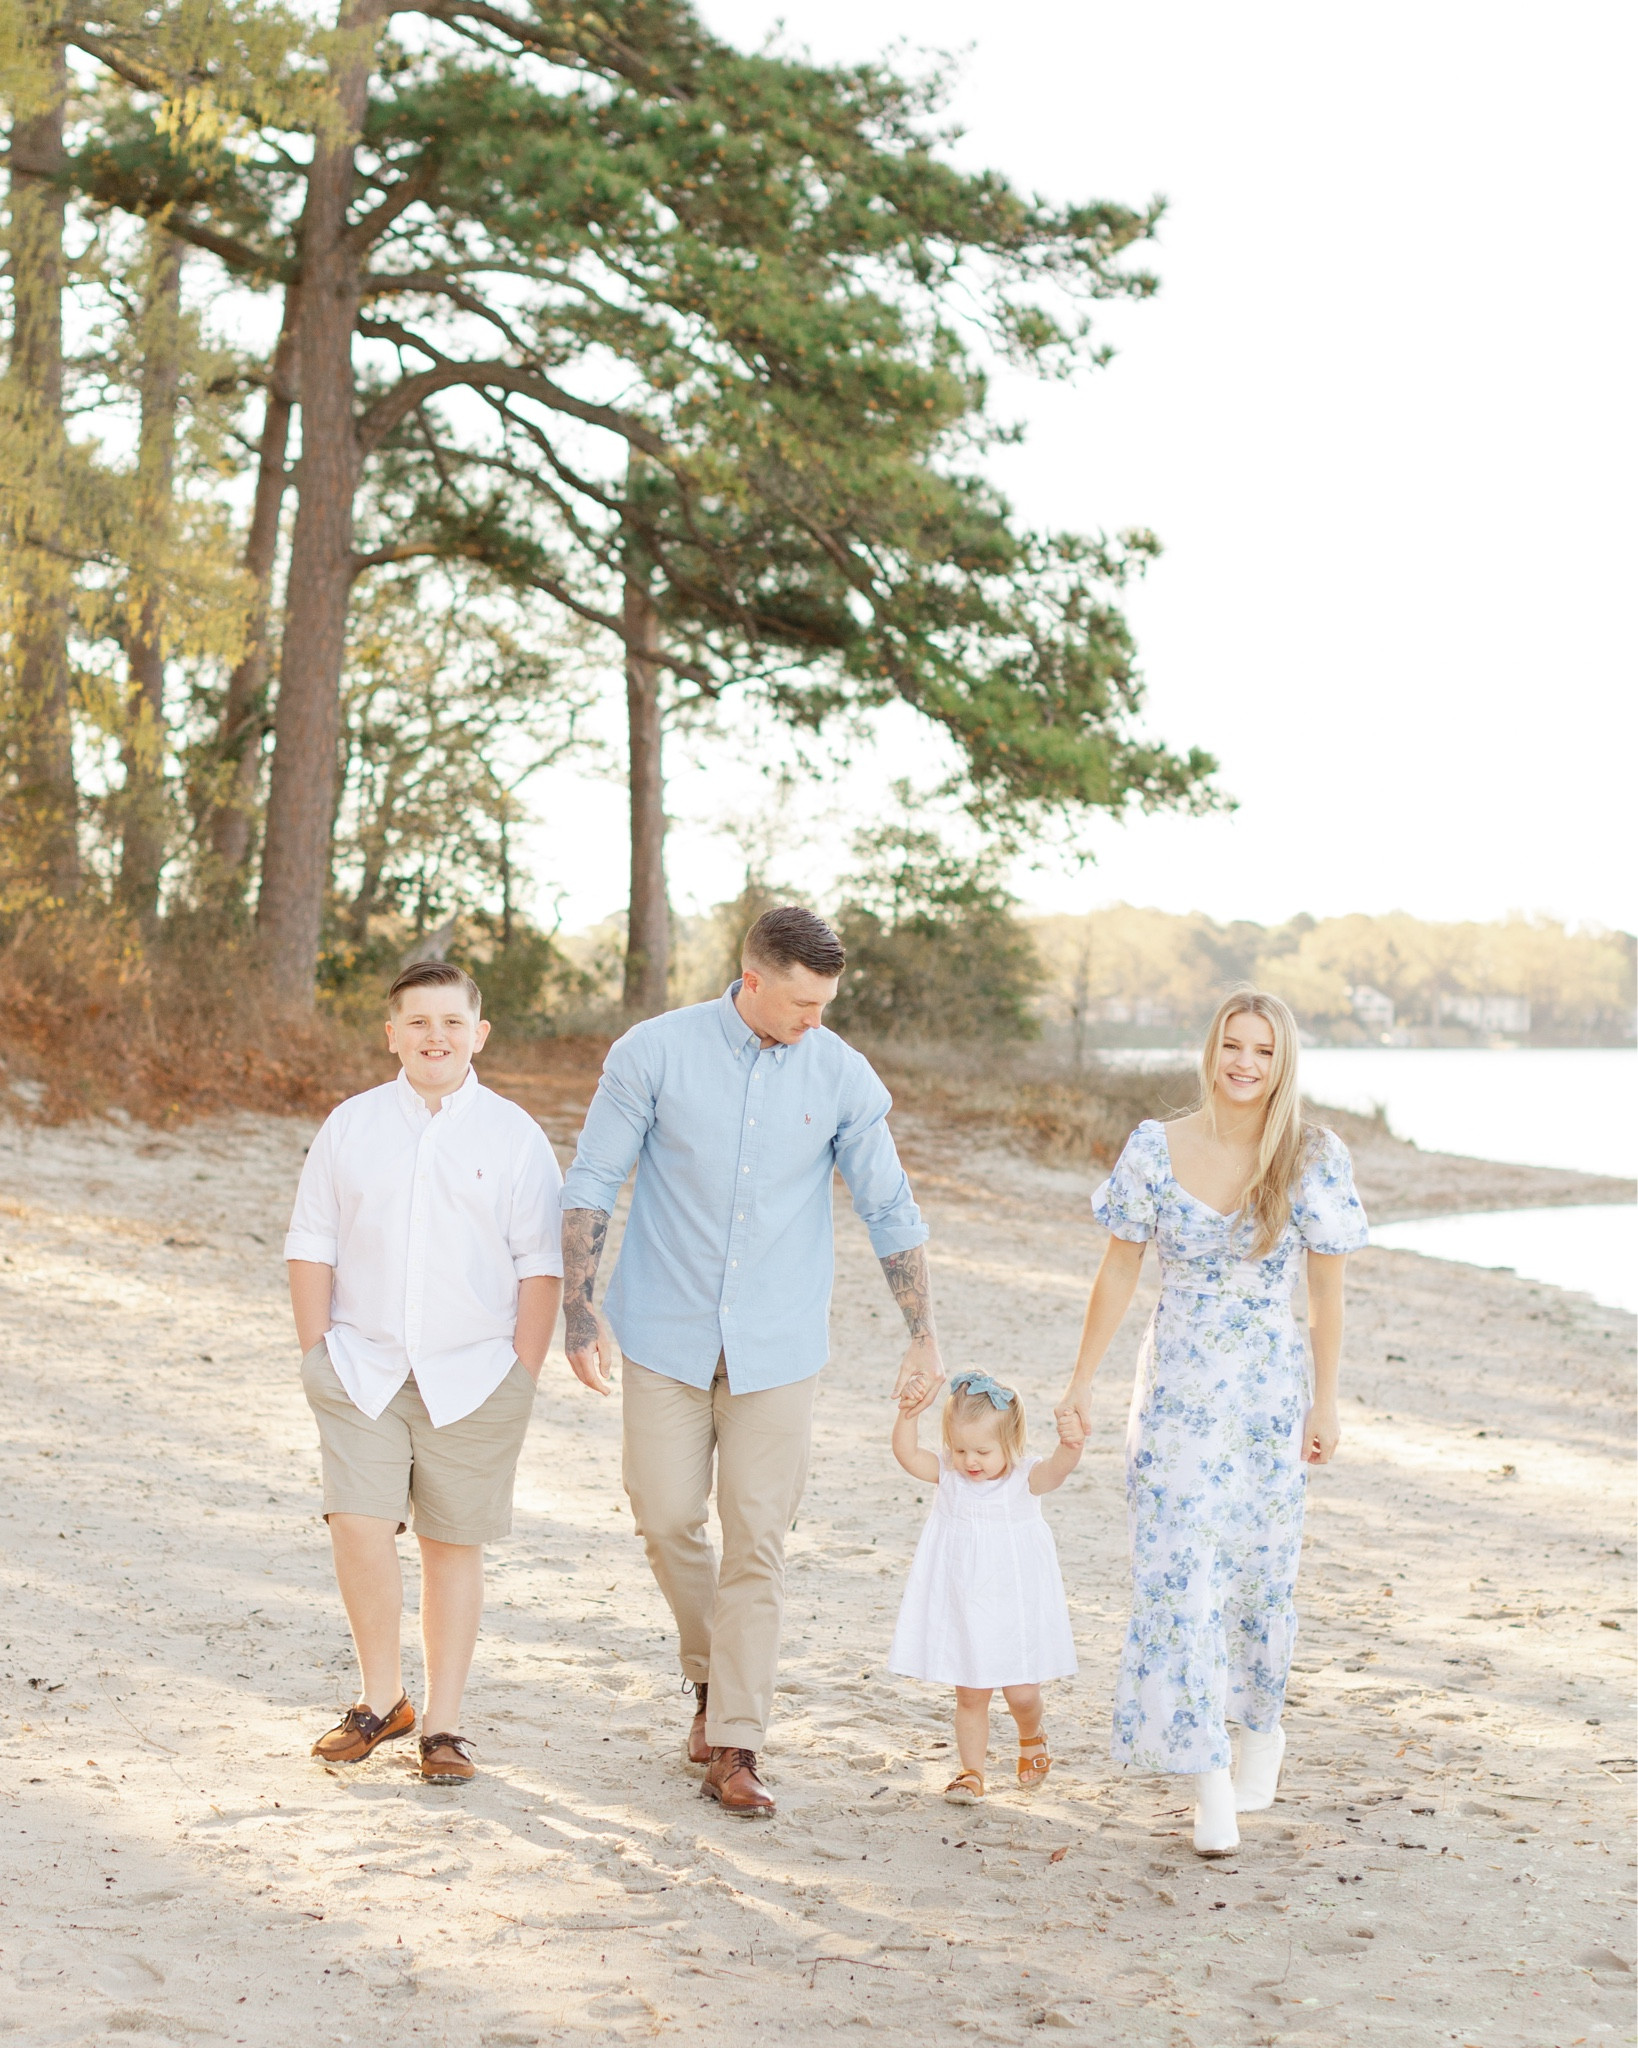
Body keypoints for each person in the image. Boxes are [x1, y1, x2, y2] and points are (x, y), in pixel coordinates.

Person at [559, 906, 942, 1819]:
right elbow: (591, 1180)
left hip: (779, 1347)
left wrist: (922, 1328)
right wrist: (578, 1312)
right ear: (754, 978)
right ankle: (709, 1675)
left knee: (758, 1543)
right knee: (663, 1517)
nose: (817, 1019)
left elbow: (889, 1205)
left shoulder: (841, 1071)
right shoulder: (652, 1052)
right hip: (664, 1330)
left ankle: (735, 1740)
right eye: (803, 1002)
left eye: (827, 1003)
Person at [1056, 989, 1368, 1857]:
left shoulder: (1311, 1154)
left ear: (1283, 1062)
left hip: (1268, 1399)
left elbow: (1327, 1297)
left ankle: (1261, 1728)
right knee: (1176, 1579)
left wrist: (1327, 1400)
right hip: (1177, 1396)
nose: (1244, 1063)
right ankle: (1207, 1782)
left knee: (1260, 1578)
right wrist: (1081, 1382)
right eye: (1233, 1045)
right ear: (1211, 1049)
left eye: (1263, 1051)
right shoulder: (1156, 1146)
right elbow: (1118, 1273)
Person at [285, 961, 563, 1785]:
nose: (434, 1036)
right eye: (417, 1023)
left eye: (451, 1023)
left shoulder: (513, 1135)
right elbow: (313, 1242)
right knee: (357, 1527)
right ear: (392, 1035)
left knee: (450, 1546)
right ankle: (382, 1700)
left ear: (478, 1035)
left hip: (477, 1375)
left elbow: (540, 1264)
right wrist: (315, 1353)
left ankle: (443, 1726)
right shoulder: (352, 1125)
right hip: (360, 1366)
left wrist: (524, 1370)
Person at [888, 1370, 1083, 1804]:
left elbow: (1057, 1471)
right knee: (970, 1692)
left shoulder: (1025, 1479)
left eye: (982, 1451)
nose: (969, 1461)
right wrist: (907, 1413)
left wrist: (1071, 1445)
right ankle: (971, 1772)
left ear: (1011, 1444)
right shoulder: (949, 1475)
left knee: (1022, 1694)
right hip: (964, 1602)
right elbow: (905, 1453)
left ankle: (1031, 1734)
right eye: (959, 1449)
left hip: (1014, 1605)